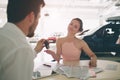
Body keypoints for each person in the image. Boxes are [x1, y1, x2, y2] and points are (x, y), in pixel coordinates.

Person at [0, 0, 45, 80]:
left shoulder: (3, 34)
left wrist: (35, 51)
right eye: (38, 17)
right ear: (31, 17)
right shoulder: (22, 48)